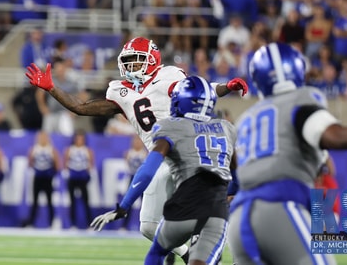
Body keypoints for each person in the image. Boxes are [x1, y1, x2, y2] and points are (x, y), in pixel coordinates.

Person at [26, 36, 247, 257]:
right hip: (161, 155)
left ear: (152, 60)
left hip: (187, 149)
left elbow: (201, 91)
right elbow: (81, 107)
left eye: (137, 60)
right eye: (129, 60)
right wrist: (52, 89)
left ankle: (233, 236)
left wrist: (227, 87)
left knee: (205, 209)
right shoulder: (120, 91)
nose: (131, 66)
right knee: (149, 227)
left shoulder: (168, 75)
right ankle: (188, 255)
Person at [228, 42, 347, 265]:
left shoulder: (246, 119)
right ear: (297, 69)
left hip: (239, 219)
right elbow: (336, 136)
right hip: (277, 207)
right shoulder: (300, 101)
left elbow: (239, 168)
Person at [90, 76, 236, 265]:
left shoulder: (169, 126)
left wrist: (124, 206)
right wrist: (230, 195)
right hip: (213, 211)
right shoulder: (226, 128)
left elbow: (148, 169)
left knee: (155, 254)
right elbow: (239, 175)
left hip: (181, 211)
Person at [22, 130, 60, 228]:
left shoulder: (51, 149)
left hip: (48, 177)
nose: (42, 139)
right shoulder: (34, 149)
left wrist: (53, 173)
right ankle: (31, 222)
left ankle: (52, 222)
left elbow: (57, 164)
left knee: (49, 200)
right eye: (41, 137)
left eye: (44, 137)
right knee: (35, 200)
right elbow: (30, 163)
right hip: (38, 177)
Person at [63, 130, 94, 229]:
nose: (80, 140)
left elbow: (90, 164)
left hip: (83, 177)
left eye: (81, 139)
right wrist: (66, 173)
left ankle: (89, 223)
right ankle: (72, 223)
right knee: (72, 201)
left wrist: (89, 174)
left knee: (86, 200)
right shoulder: (70, 149)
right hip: (73, 176)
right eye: (78, 138)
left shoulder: (87, 150)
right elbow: (65, 162)